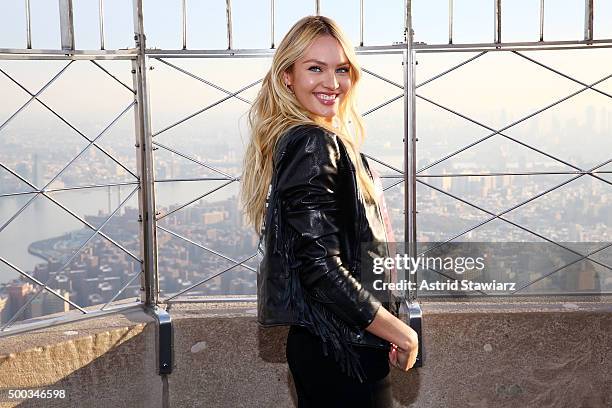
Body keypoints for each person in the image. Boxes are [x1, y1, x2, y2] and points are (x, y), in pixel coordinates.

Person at [240, 15, 418, 408]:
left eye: (341, 69)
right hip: (342, 350)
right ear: (287, 76)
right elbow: (320, 267)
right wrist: (400, 333)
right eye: (314, 68)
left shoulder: (304, 139)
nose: (332, 82)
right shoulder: (313, 143)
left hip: (331, 342)